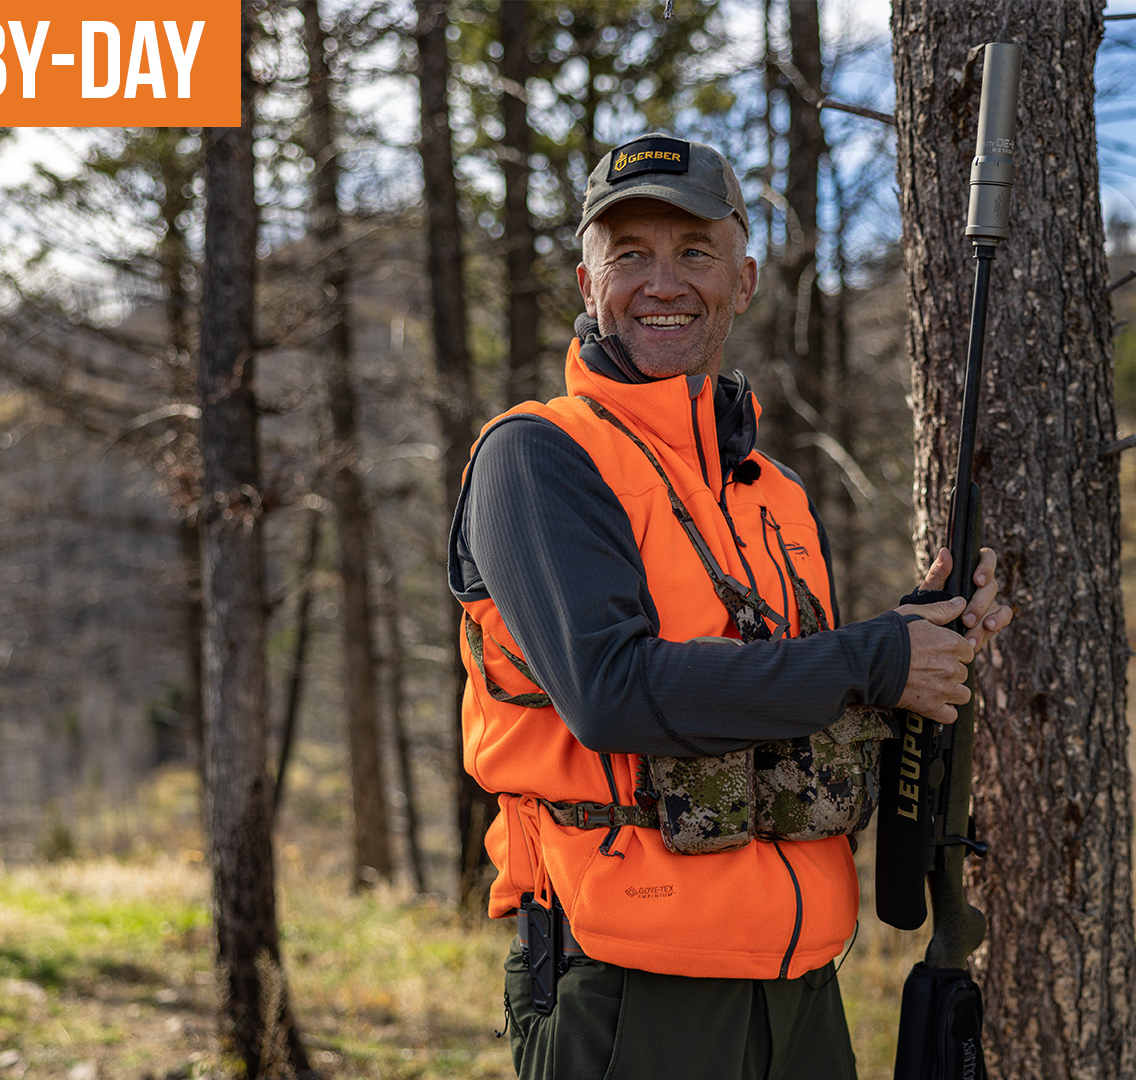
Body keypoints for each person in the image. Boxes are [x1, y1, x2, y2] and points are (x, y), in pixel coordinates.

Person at [446, 133, 1013, 1080]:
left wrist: (920, 637)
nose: (662, 282)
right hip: (630, 984)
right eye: (630, 255)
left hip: (801, 982)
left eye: (694, 253)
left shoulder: (771, 488)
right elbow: (612, 694)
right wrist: (874, 658)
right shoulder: (539, 455)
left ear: (742, 280)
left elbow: (779, 690)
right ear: (589, 284)